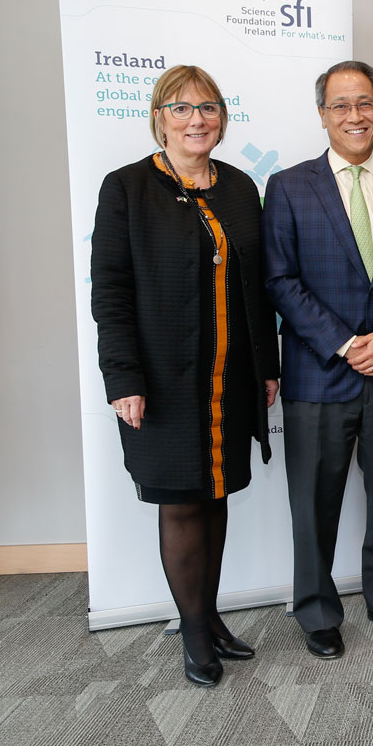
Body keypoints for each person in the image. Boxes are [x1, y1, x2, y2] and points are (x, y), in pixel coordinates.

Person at [91, 65, 280, 687]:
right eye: (181, 108)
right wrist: (123, 378)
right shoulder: (126, 188)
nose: (196, 119)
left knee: (216, 493)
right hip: (163, 380)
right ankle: (194, 629)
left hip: (231, 374)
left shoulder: (238, 186)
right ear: (157, 116)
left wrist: (268, 369)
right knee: (180, 501)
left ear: (222, 119)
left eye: (208, 107)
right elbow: (111, 291)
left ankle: (210, 615)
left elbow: (259, 290)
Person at [263, 61, 373, 659]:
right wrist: (344, 343)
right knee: (314, 501)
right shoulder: (288, 187)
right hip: (319, 373)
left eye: (365, 103)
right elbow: (280, 280)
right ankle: (316, 611)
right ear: (322, 115)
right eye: (341, 105)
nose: (355, 116)